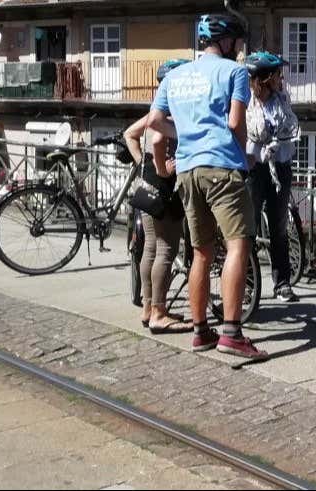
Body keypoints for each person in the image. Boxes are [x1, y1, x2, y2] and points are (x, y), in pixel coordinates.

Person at [146, 13, 266, 359]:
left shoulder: (177, 75)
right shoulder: (235, 72)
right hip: (221, 167)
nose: (240, 49)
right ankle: (232, 333)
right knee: (238, 245)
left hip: (186, 170)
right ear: (226, 41)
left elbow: (155, 122)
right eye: (237, 43)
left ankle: (200, 332)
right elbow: (235, 121)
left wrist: (184, 133)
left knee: (201, 251)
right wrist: (243, 157)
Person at [126, 58, 191, 333]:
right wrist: (163, 167)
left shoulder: (155, 109)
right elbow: (156, 140)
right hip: (164, 186)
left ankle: (147, 308)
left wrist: (145, 165)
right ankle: (159, 313)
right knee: (166, 249)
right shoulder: (171, 111)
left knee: (150, 249)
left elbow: (130, 134)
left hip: (147, 185)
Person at [243, 50, 302, 303]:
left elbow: (290, 129)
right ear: (265, 78)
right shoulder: (245, 102)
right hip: (254, 169)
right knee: (248, 228)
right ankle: (247, 285)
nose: (282, 78)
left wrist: (278, 145)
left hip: (280, 167)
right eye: (278, 74)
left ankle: (282, 283)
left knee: (279, 227)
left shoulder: (283, 99)